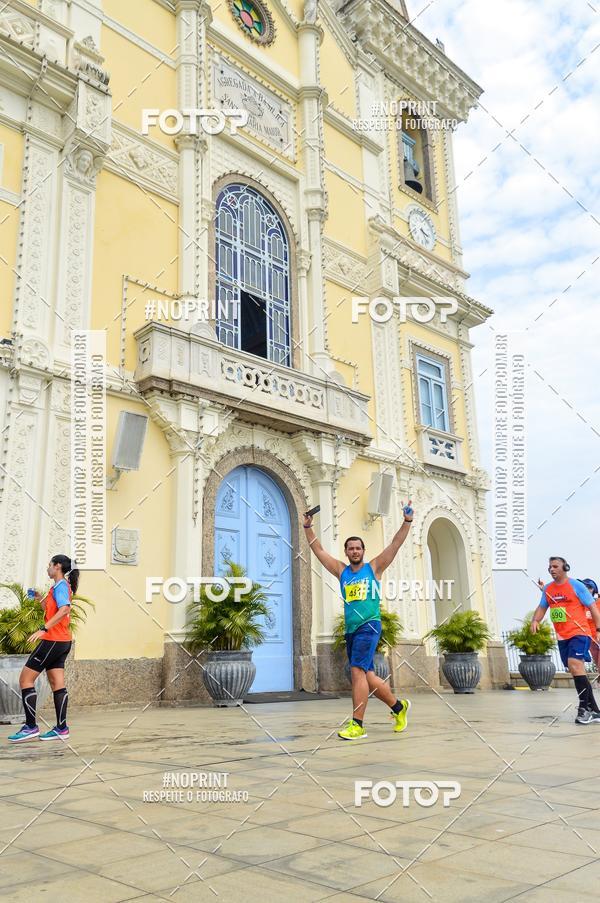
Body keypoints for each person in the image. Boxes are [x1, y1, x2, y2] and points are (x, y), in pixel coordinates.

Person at [304, 502, 413, 740]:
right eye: (351, 548)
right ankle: (398, 707)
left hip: (370, 625)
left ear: (363, 551)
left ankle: (357, 725)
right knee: (368, 676)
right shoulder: (341, 571)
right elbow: (319, 551)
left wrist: (406, 522)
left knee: (356, 672)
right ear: (346, 552)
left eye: (358, 548)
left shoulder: (374, 568)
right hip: (352, 630)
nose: (355, 551)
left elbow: (395, 545)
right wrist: (308, 528)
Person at [8, 555, 78, 742]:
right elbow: (54, 609)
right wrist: (40, 599)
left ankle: (31, 726)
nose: (47, 568)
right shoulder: (59, 587)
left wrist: (43, 629)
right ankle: (62, 728)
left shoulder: (61, 586)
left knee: (25, 679)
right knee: (57, 684)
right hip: (63, 641)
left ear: (57, 567)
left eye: (49, 565)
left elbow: (64, 609)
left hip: (52, 640)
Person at [532, 557, 600, 724]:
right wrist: (535, 621)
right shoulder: (548, 589)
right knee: (575, 670)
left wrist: (598, 630)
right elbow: (542, 607)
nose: (551, 569)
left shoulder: (577, 586)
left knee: (575, 664)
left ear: (565, 567)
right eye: (550, 567)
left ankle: (584, 708)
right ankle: (595, 711)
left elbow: (592, 607)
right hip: (562, 636)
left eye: (555, 566)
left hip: (580, 632)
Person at [579, 578, 600, 674]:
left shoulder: (598, 602)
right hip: (591, 638)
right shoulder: (582, 603)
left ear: (592, 589)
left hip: (598, 635)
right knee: (597, 662)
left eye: (586, 587)